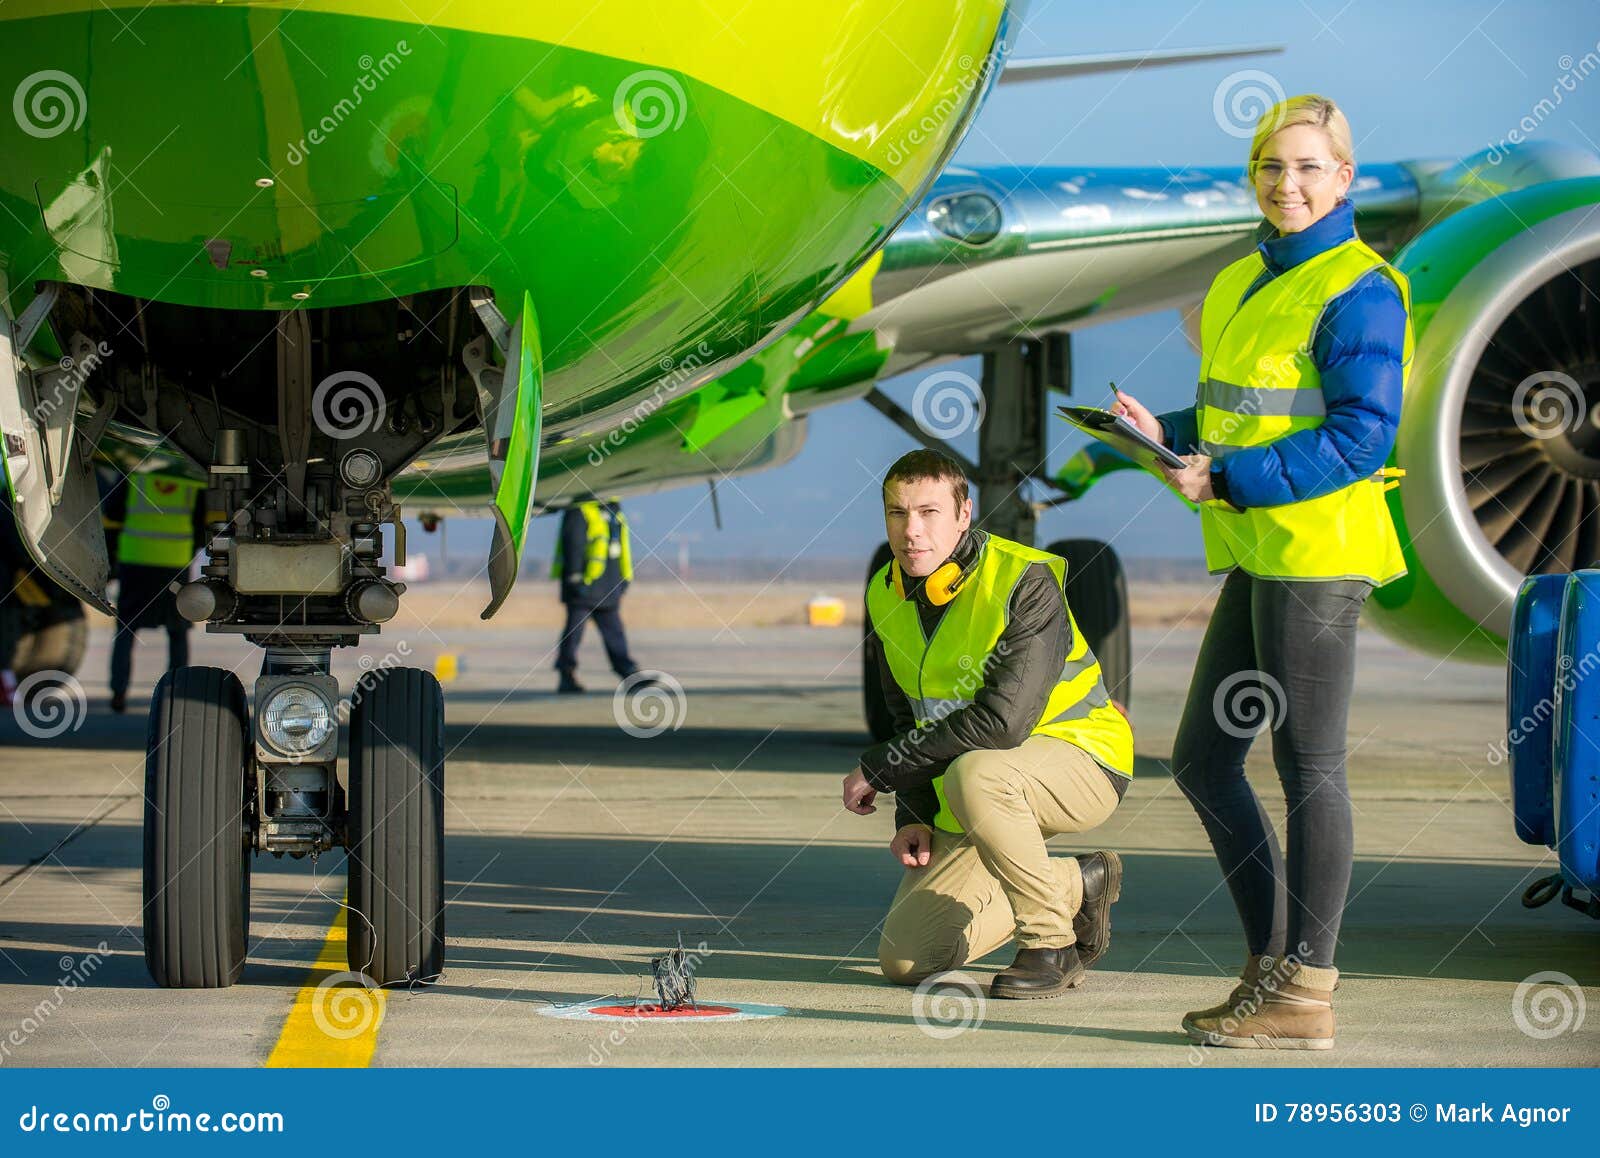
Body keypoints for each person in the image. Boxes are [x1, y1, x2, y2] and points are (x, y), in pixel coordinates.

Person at [1111, 94, 1411, 1050]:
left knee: (1309, 765)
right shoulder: (1244, 279)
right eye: (1272, 168)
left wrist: (1230, 477)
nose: (1289, 185)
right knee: (1203, 759)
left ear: (1345, 179)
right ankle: (1272, 964)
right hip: (1256, 549)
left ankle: (1306, 990)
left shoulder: (1361, 288)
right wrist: (1166, 435)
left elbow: (1363, 435)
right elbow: (1248, 413)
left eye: (1310, 167)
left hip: (1317, 554)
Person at [842, 449, 1134, 1000]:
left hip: (1081, 760)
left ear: (964, 513)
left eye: (929, 512)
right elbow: (908, 712)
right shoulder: (886, 592)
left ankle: (1049, 944)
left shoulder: (1024, 581)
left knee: (977, 772)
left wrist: (878, 769)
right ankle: (1078, 883)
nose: (912, 531)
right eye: (898, 514)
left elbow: (1002, 723)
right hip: (976, 785)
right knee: (908, 961)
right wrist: (914, 812)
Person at [104, 471, 208, 714]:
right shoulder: (191, 480)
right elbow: (201, 524)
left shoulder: (135, 475)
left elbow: (112, 512)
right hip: (174, 565)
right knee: (178, 631)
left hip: (136, 562)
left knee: (126, 630)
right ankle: (177, 692)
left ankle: (118, 692)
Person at [550, 498, 647, 693]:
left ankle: (628, 672)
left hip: (608, 585)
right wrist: (575, 579)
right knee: (574, 634)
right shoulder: (581, 510)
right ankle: (566, 674)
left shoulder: (614, 513)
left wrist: (624, 579)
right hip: (583, 588)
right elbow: (573, 545)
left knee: (614, 633)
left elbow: (622, 550)